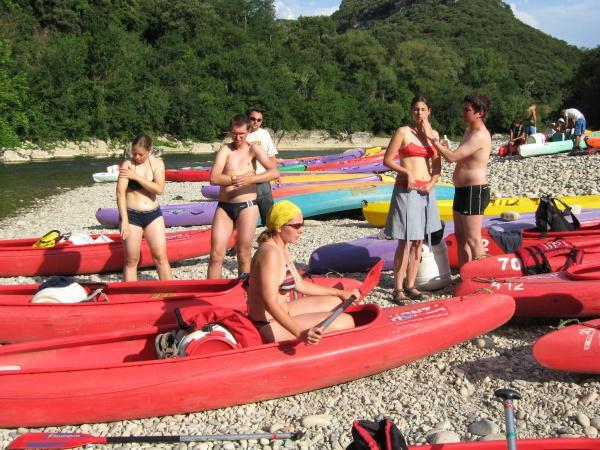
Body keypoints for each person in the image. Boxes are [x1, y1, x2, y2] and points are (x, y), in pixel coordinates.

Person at [246, 201, 360, 344]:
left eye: (302, 224)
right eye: (296, 226)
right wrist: (300, 333)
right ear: (279, 227)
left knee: (337, 302)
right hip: (268, 324)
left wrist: (339, 293)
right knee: (347, 321)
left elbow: (300, 284)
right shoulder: (270, 253)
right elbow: (270, 303)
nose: (301, 230)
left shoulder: (281, 246)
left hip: (283, 311)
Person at [383, 96, 443, 304]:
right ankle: (398, 288)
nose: (419, 113)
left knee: (418, 241)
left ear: (429, 111)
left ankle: (411, 285)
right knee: (405, 240)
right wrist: (406, 172)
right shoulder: (403, 132)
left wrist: (432, 183)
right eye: (416, 109)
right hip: (406, 190)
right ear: (411, 112)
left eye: (423, 109)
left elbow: (437, 167)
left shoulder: (433, 135)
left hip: (426, 192)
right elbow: (388, 160)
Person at [424, 92, 492, 267]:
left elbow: (452, 158)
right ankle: (465, 274)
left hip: (474, 191)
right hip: (462, 189)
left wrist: (434, 140)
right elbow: (460, 155)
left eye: (467, 110)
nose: (463, 113)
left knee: (474, 240)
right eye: (463, 109)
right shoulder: (469, 130)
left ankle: (482, 276)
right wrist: (444, 146)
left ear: (479, 113)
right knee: (461, 238)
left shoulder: (480, 134)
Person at [208, 114, 279, 279]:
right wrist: (237, 178)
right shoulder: (225, 149)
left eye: (241, 134)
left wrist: (250, 179)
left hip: (247, 205)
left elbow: (274, 172)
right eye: (234, 134)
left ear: (248, 132)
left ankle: (245, 289)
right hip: (224, 206)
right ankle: (211, 290)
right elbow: (214, 178)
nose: (237, 138)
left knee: (243, 252)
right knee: (216, 255)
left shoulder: (253, 149)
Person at [116, 133, 171, 281]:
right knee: (131, 260)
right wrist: (124, 221)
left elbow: (159, 189)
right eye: (134, 153)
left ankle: (169, 291)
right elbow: (120, 193)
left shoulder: (158, 164)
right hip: (131, 216)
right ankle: (131, 293)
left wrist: (136, 177)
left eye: (141, 154)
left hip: (153, 215)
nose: (137, 157)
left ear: (149, 150)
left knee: (160, 256)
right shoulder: (127, 165)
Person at [246, 108, 279, 225]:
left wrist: (275, 173)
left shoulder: (264, 134)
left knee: (268, 213)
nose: (256, 122)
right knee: (247, 215)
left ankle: (270, 232)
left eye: (259, 120)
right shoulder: (241, 134)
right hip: (246, 181)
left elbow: (271, 155)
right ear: (247, 118)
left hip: (263, 178)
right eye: (253, 119)